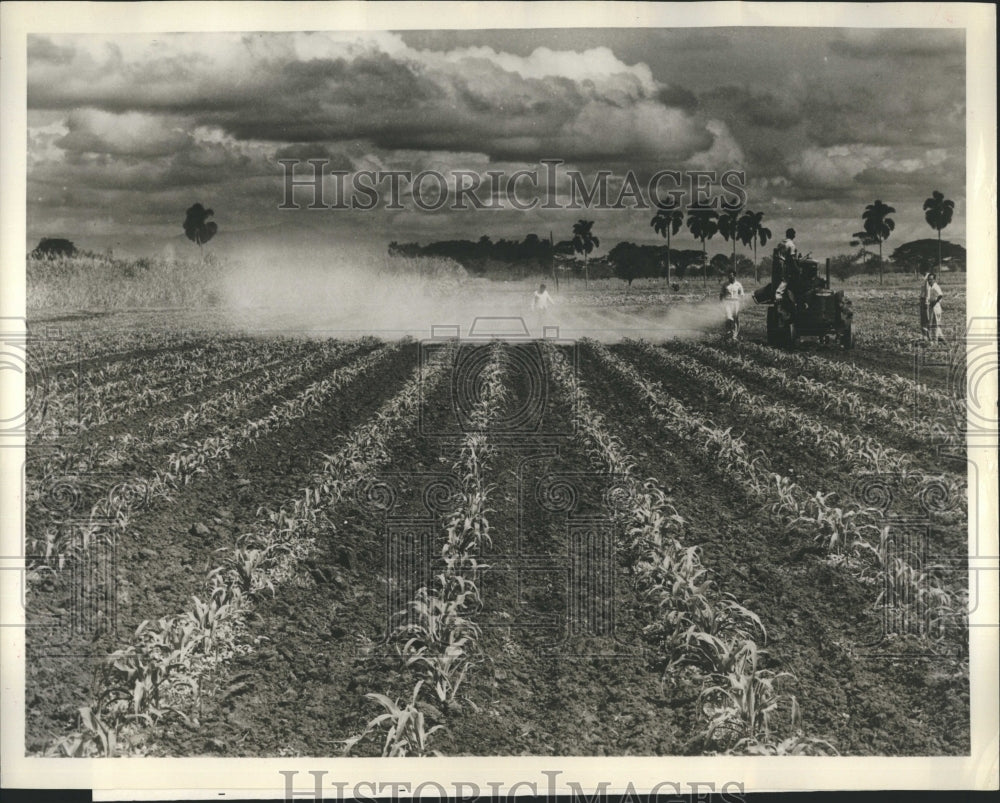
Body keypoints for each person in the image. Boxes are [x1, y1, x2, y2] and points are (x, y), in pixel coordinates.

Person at [719, 270, 744, 341]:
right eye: (729, 276)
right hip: (727, 302)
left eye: (731, 275)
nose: (730, 277)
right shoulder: (725, 284)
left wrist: (741, 304)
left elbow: (741, 295)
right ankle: (728, 332)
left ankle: (734, 335)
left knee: (736, 319)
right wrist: (721, 303)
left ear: (734, 276)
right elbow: (721, 294)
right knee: (728, 318)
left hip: (736, 302)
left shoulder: (738, 285)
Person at [920, 273, 945, 342]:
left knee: (936, 323)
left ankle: (936, 339)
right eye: (928, 279)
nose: (929, 281)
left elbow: (940, 295)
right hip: (932, 306)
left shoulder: (935, 286)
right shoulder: (930, 287)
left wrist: (935, 302)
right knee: (933, 323)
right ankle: (937, 338)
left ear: (934, 280)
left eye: (931, 279)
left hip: (936, 307)